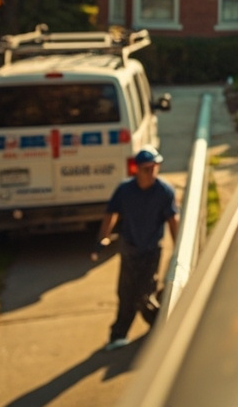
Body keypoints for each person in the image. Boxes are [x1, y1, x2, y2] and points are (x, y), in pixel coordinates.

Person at [91, 147, 179, 352]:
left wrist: (177, 248)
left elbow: (172, 220)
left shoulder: (164, 191)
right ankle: (118, 335)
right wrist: (101, 239)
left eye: (155, 168)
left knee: (143, 294)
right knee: (125, 293)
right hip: (129, 249)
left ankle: (162, 327)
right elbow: (110, 214)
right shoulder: (125, 190)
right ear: (137, 170)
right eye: (147, 169)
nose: (151, 172)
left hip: (151, 251)